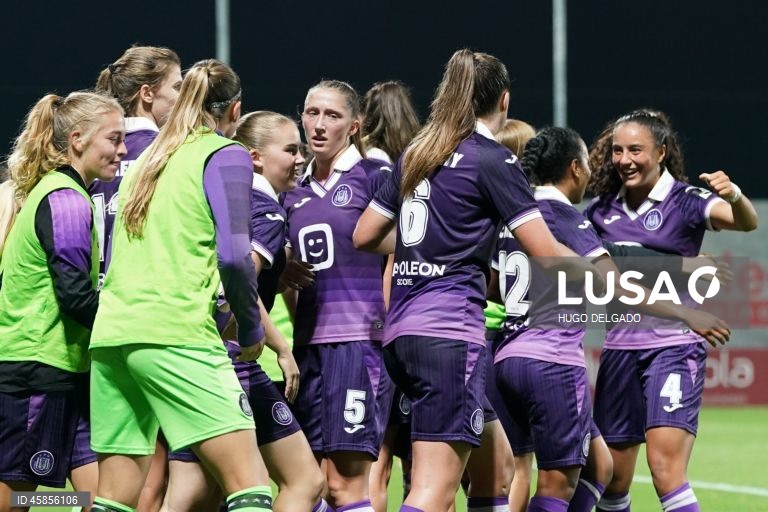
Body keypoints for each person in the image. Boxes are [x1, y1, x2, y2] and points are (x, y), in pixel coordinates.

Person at [353, 49, 597, 512]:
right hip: (449, 336)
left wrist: (428, 251)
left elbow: (365, 235)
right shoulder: (492, 159)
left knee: (495, 469)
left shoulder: (418, 153)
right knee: (434, 489)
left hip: (404, 334)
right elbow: (544, 251)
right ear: (503, 101)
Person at [88, 59, 273, 512]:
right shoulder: (223, 153)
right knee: (252, 486)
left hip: (113, 335)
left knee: (114, 496)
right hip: (175, 331)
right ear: (236, 112)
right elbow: (234, 256)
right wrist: (250, 331)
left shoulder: (150, 156)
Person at [585, 109, 757, 512]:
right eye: (617, 150)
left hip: (673, 348)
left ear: (661, 152)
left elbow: (744, 222)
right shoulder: (600, 211)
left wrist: (733, 194)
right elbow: (600, 272)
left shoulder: (686, 201)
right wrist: (680, 265)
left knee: (665, 470)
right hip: (619, 351)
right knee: (614, 481)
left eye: (636, 150)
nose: (624, 159)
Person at [161, 111, 326, 512]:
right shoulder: (267, 212)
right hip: (232, 363)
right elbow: (236, 288)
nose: (300, 158)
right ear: (255, 158)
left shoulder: (218, 198)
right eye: (290, 150)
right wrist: (281, 348)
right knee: (304, 480)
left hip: (188, 353)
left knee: (193, 494)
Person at [0, 91, 126, 512]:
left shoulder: (56, 192)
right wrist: (126, 331)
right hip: (34, 369)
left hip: (67, 369)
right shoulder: (66, 200)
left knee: (92, 498)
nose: (122, 151)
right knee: (15, 499)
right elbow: (74, 294)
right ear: (77, 140)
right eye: (113, 139)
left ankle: (60, 505)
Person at [281, 79, 393, 512]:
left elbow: (401, 254)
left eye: (333, 115)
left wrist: (381, 322)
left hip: (358, 343)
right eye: (312, 113)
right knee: (312, 483)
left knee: (345, 483)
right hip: (309, 346)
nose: (320, 125)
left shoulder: (373, 177)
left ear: (354, 125)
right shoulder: (293, 193)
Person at [92, 45, 182, 512]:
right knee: (161, 470)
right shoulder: (166, 155)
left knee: (98, 479)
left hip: (89, 323)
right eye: (176, 87)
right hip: (151, 320)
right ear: (147, 95)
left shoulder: (90, 153)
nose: (183, 97)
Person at [360, 80, 421, 512]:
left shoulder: (359, 170)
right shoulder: (397, 175)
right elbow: (395, 259)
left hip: (363, 325)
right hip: (389, 323)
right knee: (409, 462)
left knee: (375, 460)